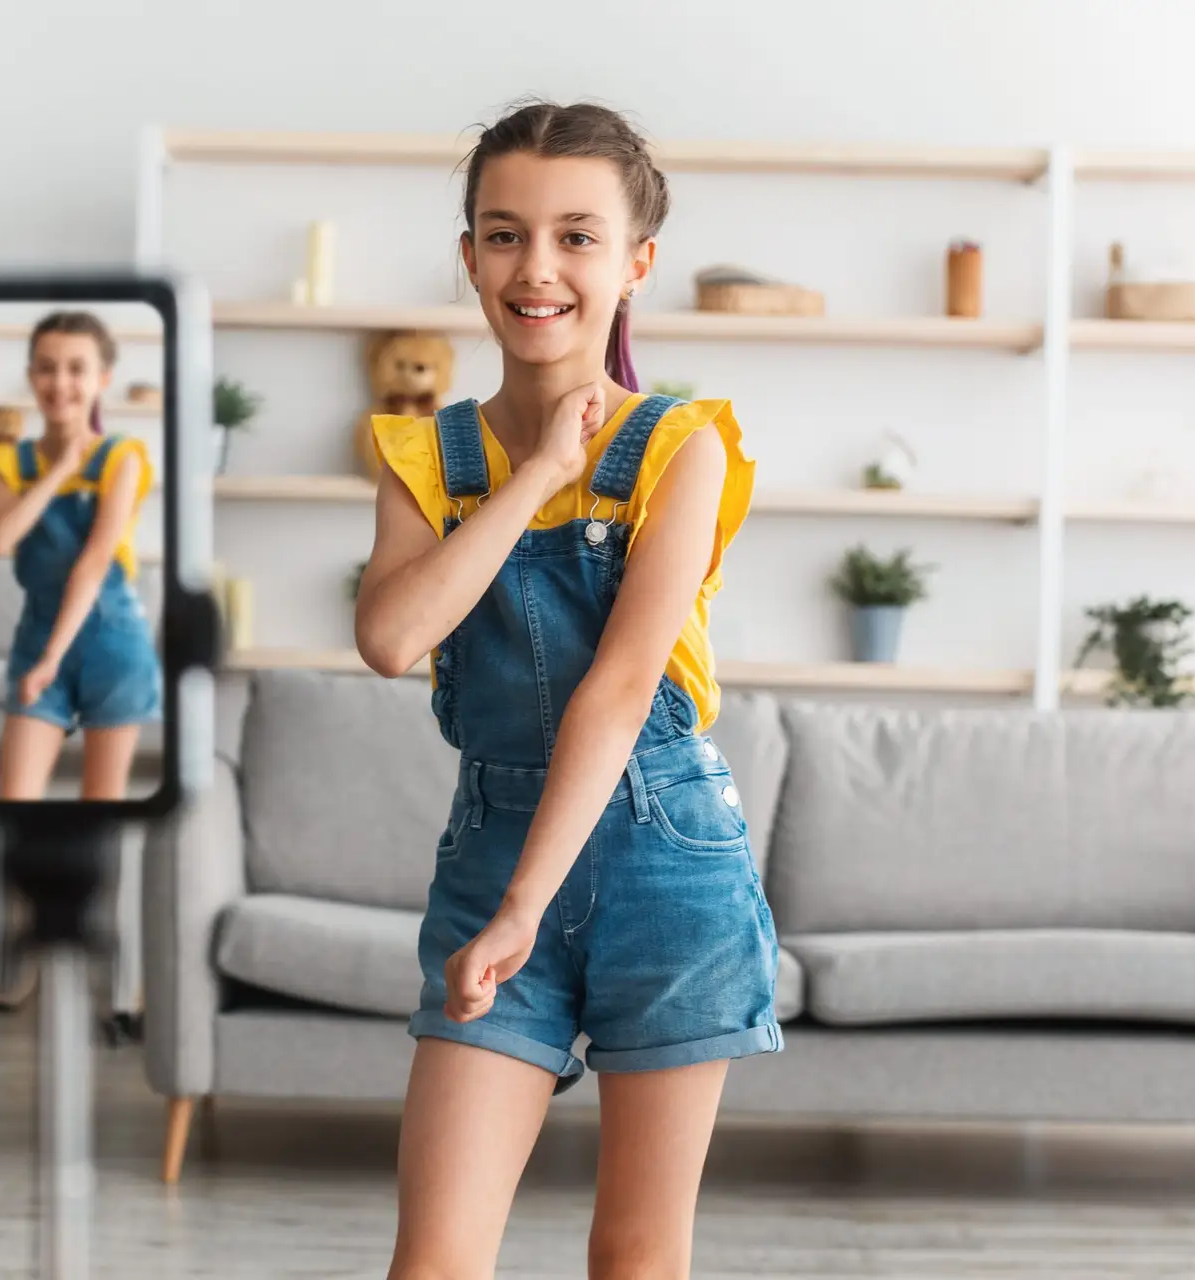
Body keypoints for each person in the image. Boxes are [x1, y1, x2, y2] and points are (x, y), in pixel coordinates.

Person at [354, 101, 780, 1279]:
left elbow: (618, 690)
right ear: (469, 255)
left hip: (663, 855)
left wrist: (525, 903)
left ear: (638, 262)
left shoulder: (685, 446)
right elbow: (393, 635)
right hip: (494, 849)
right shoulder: (422, 456)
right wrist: (539, 465)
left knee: (634, 1259)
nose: (536, 268)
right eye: (504, 234)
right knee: (432, 1261)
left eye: (578, 236)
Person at [0, 311, 160, 800]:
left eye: (77, 369)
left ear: (102, 379)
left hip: (112, 641)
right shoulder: (8, 460)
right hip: (37, 636)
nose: (60, 383)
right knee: (14, 807)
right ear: (30, 376)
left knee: (100, 814)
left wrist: (52, 658)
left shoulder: (123, 457)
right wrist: (59, 471)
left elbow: (94, 562)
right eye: (46, 367)